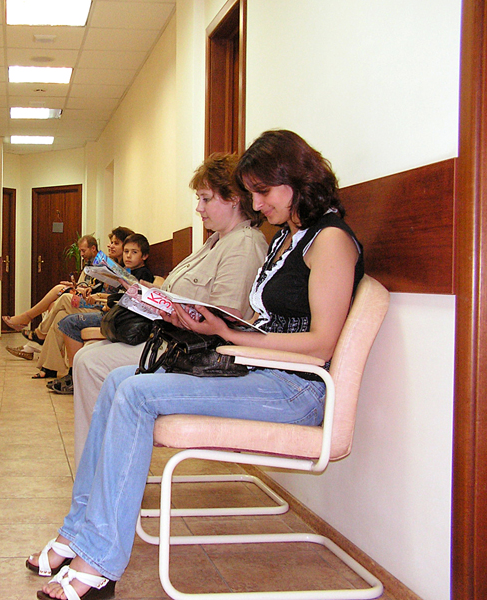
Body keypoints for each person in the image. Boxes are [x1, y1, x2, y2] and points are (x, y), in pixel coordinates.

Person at [28, 130, 364, 600]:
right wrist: (211, 325)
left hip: (294, 388)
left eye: (263, 192)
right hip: (257, 369)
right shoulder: (288, 239)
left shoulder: (330, 241)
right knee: (120, 380)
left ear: (297, 180)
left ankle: (98, 560)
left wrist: (230, 334)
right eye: (252, 193)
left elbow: (322, 342)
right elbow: (262, 318)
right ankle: (78, 530)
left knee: (136, 392)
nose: (257, 204)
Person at [70, 152, 267, 467]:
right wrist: (138, 290)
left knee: (91, 363)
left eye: (205, 198)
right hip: (171, 339)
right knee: (86, 357)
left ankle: (102, 467)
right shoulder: (215, 242)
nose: (199, 208)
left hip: (194, 351)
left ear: (233, 199)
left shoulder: (244, 244)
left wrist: (167, 305)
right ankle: (95, 465)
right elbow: (178, 294)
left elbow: (225, 317)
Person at [48, 233, 157, 394]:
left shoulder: (142, 276)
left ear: (145, 256)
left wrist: (108, 303)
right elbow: (121, 296)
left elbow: (134, 301)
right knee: (64, 318)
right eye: (126, 251)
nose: (128, 256)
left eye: (134, 252)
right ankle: (69, 374)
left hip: (121, 318)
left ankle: (74, 377)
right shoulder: (128, 272)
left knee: (69, 322)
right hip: (112, 311)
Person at [29, 227, 134, 379]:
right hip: (96, 303)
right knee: (60, 315)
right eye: (111, 242)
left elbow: (119, 296)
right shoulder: (110, 265)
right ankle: (49, 367)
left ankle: (40, 333)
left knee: (64, 298)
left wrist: (97, 294)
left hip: (104, 309)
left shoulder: (126, 271)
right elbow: (97, 285)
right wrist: (88, 289)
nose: (110, 246)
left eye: (116, 243)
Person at [2, 235, 99, 332]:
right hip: (82, 294)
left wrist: (80, 288)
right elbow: (84, 284)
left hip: (91, 301)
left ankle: (28, 319)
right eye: (80, 251)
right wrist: (74, 285)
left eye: (83, 251)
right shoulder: (89, 265)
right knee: (52, 305)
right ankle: (37, 337)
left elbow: (96, 289)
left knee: (58, 289)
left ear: (93, 248)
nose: (81, 254)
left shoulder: (102, 265)